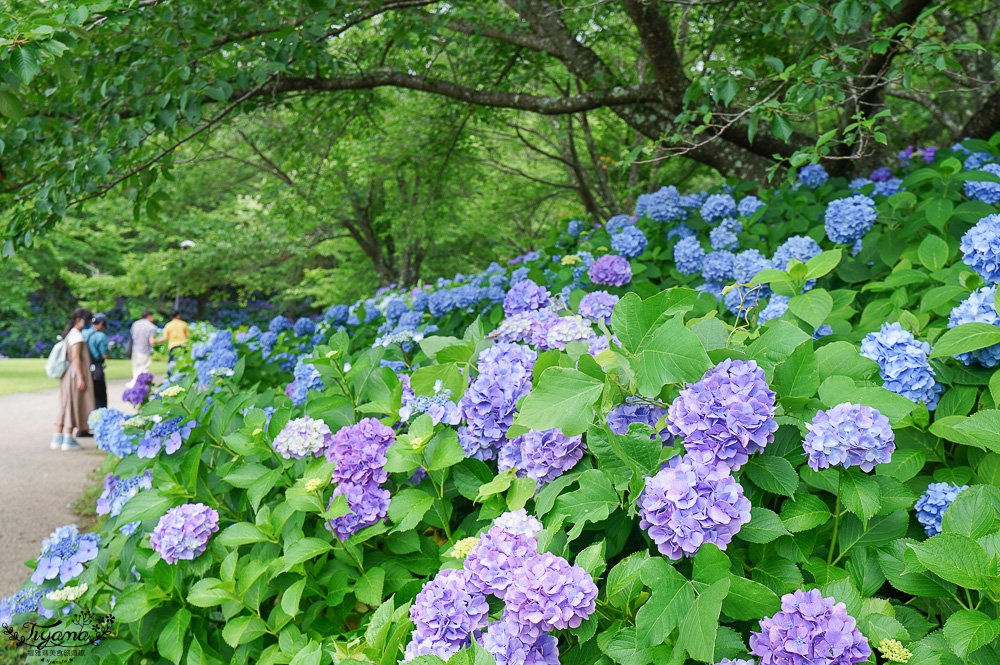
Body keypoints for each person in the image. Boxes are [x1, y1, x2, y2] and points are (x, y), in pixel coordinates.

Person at [53, 307, 95, 452]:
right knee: (72, 403)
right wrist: (80, 378)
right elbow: (76, 357)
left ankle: (58, 437)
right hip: (73, 375)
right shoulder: (77, 336)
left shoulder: (69, 334)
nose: (89, 323)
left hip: (67, 375)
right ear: (79, 320)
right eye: (88, 320)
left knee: (64, 404)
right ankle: (68, 439)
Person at [83, 312, 111, 411]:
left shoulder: (83, 333)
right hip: (97, 368)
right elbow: (104, 355)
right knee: (100, 396)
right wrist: (109, 349)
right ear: (101, 324)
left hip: (84, 368)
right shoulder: (100, 336)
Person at [127, 310, 157, 388]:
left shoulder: (135, 324)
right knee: (143, 370)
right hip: (144, 351)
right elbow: (152, 341)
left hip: (135, 350)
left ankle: (134, 385)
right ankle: (137, 387)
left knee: (136, 370)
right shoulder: (151, 326)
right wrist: (162, 339)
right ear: (149, 316)